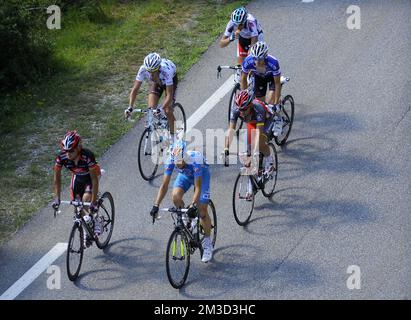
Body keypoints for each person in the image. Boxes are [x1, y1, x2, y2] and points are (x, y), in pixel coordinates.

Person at [149, 140, 214, 263]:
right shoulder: (170, 160)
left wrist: (194, 205)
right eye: (176, 162)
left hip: (201, 177)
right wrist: (156, 205)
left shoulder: (195, 159)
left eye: (180, 161)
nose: (178, 164)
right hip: (184, 176)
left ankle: (207, 243)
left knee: (202, 211)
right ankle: (186, 218)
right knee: (175, 196)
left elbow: (198, 187)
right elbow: (164, 185)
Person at [224, 90, 275, 197]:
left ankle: (270, 161)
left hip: (266, 121)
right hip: (252, 122)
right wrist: (226, 149)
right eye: (240, 109)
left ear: (250, 105)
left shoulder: (258, 109)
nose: (241, 112)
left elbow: (259, 133)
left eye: (244, 109)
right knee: (247, 154)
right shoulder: (236, 110)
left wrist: (254, 153)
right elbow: (231, 130)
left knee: (259, 143)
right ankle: (251, 186)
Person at [52, 131, 102, 238]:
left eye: (71, 151)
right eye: (65, 151)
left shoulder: (87, 156)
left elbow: (94, 179)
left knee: (85, 201)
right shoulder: (61, 158)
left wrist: (93, 202)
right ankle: (87, 232)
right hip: (77, 177)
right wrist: (57, 198)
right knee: (77, 208)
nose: (68, 154)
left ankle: (97, 219)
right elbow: (57, 180)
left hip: (91, 177)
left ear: (78, 148)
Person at [125, 52, 178, 141]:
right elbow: (135, 89)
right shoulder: (143, 69)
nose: (150, 74)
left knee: (167, 110)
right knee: (151, 110)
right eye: (149, 71)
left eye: (153, 72)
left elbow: (169, 95)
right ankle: (161, 125)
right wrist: (130, 107)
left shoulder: (166, 72)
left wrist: (161, 109)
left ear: (159, 68)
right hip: (156, 82)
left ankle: (176, 137)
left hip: (170, 81)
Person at [241, 41, 284, 135]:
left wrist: (276, 103)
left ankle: (278, 119)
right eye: (255, 58)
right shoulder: (248, 61)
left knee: (270, 102)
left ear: (265, 57)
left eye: (259, 59)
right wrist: (244, 95)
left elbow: (277, 83)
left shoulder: (273, 62)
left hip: (272, 78)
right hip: (259, 78)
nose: (256, 61)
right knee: (261, 105)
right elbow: (243, 78)